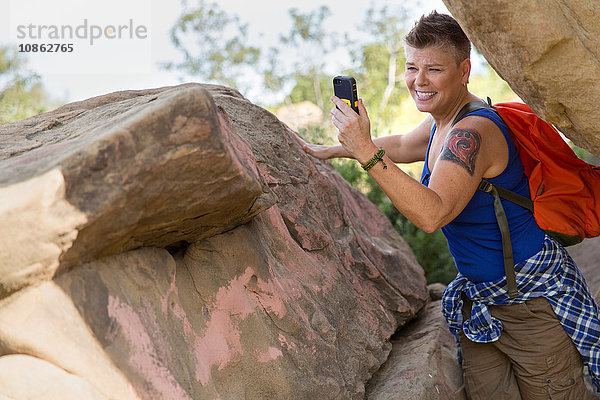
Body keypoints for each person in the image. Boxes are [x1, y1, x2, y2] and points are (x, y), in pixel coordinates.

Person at [291, 10, 600, 400]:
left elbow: (432, 213)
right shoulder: (442, 122)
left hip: (530, 306)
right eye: (411, 67)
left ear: (464, 70)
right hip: (482, 301)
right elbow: (403, 145)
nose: (418, 81)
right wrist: (336, 149)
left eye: (433, 69)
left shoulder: (473, 130)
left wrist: (365, 150)